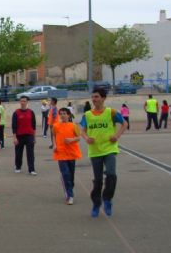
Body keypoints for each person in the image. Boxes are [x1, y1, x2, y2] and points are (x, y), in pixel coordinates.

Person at [80, 88, 127, 217]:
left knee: (111, 174)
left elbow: (124, 123)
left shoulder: (111, 112)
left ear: (103, 98)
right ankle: (96, 203)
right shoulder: (87, 115)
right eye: (93, 97)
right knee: (98, 179)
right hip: (95, 151)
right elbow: (82, 131)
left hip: (109, 149)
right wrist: (87, 138)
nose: (94, 99)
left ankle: (107, 199)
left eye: (96, 97)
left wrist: (117, 136)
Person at [52, 108, 82, 205]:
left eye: (64, 113)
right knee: (65, 173)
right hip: (61, 153)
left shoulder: (73, 126)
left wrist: (71, 140)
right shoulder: (56, 126)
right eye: (61, 114)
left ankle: (69, 187)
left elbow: (78, 138)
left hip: (72, 153)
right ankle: (70, 196)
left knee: (71, 175)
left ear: (69, 115)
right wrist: (55, 145)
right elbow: (53, 135)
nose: (62, 115)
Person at [12, 96, 37, 175]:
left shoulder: (31, 112)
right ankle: (18, 167)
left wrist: (34, 137)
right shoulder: (16, 113)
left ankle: (31, 169)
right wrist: (14, 138)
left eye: (24, 101)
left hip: (29, 136)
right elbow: (14, 126)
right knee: (18, 153)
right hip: (19, 136)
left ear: (27, 102)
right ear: (20, 102)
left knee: (30, 154)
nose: (23, 102)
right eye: (21, 101)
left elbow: (34, 126)